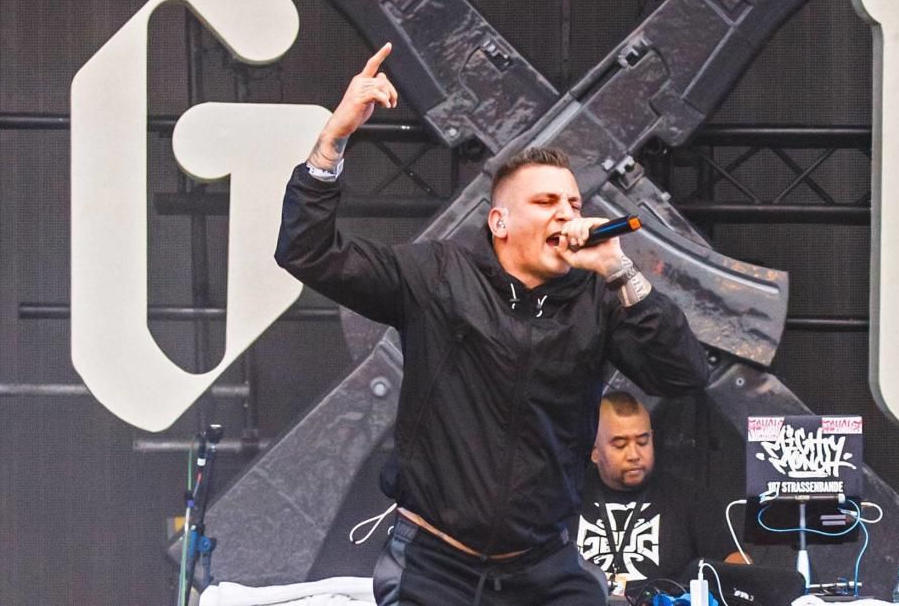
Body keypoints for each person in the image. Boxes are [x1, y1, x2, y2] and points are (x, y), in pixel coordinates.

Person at [274, 43, 709, 606]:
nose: (566, 214)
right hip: (436, 562)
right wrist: (332, 141)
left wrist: (619, 270)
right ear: (500, 222)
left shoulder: (598, 298)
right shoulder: (437, 275)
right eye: (546, 201)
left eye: (574, 204)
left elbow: (683, 375)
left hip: (544, 563)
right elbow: (308, 253)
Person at [574, 392, 747, 596]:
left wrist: (748, 581)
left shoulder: (691, 498)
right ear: (594, 451)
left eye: (642, 442)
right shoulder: (566, 500)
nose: (634, 455)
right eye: (620, 445)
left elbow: (735, 564)